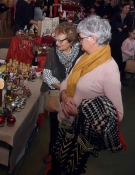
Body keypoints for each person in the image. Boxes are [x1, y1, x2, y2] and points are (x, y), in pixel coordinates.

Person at [50, 15, 124, 174]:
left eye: (81, 38)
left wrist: (79, 112)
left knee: (72, 167)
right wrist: (64, 94)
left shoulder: (109, 70)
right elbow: (67, 80)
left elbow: (117, 113)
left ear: (93, 39)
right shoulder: (85, 58)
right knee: (57, 159)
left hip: (82, 133)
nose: (79, 42)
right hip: (64, 121)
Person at [40, 22, 82, 165]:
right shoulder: (53, 52)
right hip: (57, 97)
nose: (56, 43)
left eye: (60, 40)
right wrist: (64, 90)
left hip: (77, 97)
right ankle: (52, 151)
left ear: (71, 40)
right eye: (55, 39)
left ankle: (69, 152)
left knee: (73, 127)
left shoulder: (82, 54)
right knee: (55, 127)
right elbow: (47, 76)